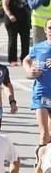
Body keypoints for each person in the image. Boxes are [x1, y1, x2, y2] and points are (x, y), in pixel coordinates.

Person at [23, 18, 51, 146]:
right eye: (49, 28)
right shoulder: (38, 47)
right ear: (45, 30)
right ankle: (39, 165)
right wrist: (30, 70)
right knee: (44, 134)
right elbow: (26, 60)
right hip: (41, 93)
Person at [3, 0, 31, 65]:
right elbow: (5, 5)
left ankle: (24, 58)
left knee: (25, 40)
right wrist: (10, 15)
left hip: (24, 20)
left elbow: (30, 2)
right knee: (13, 40)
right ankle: (12, 59)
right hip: (12, 21)